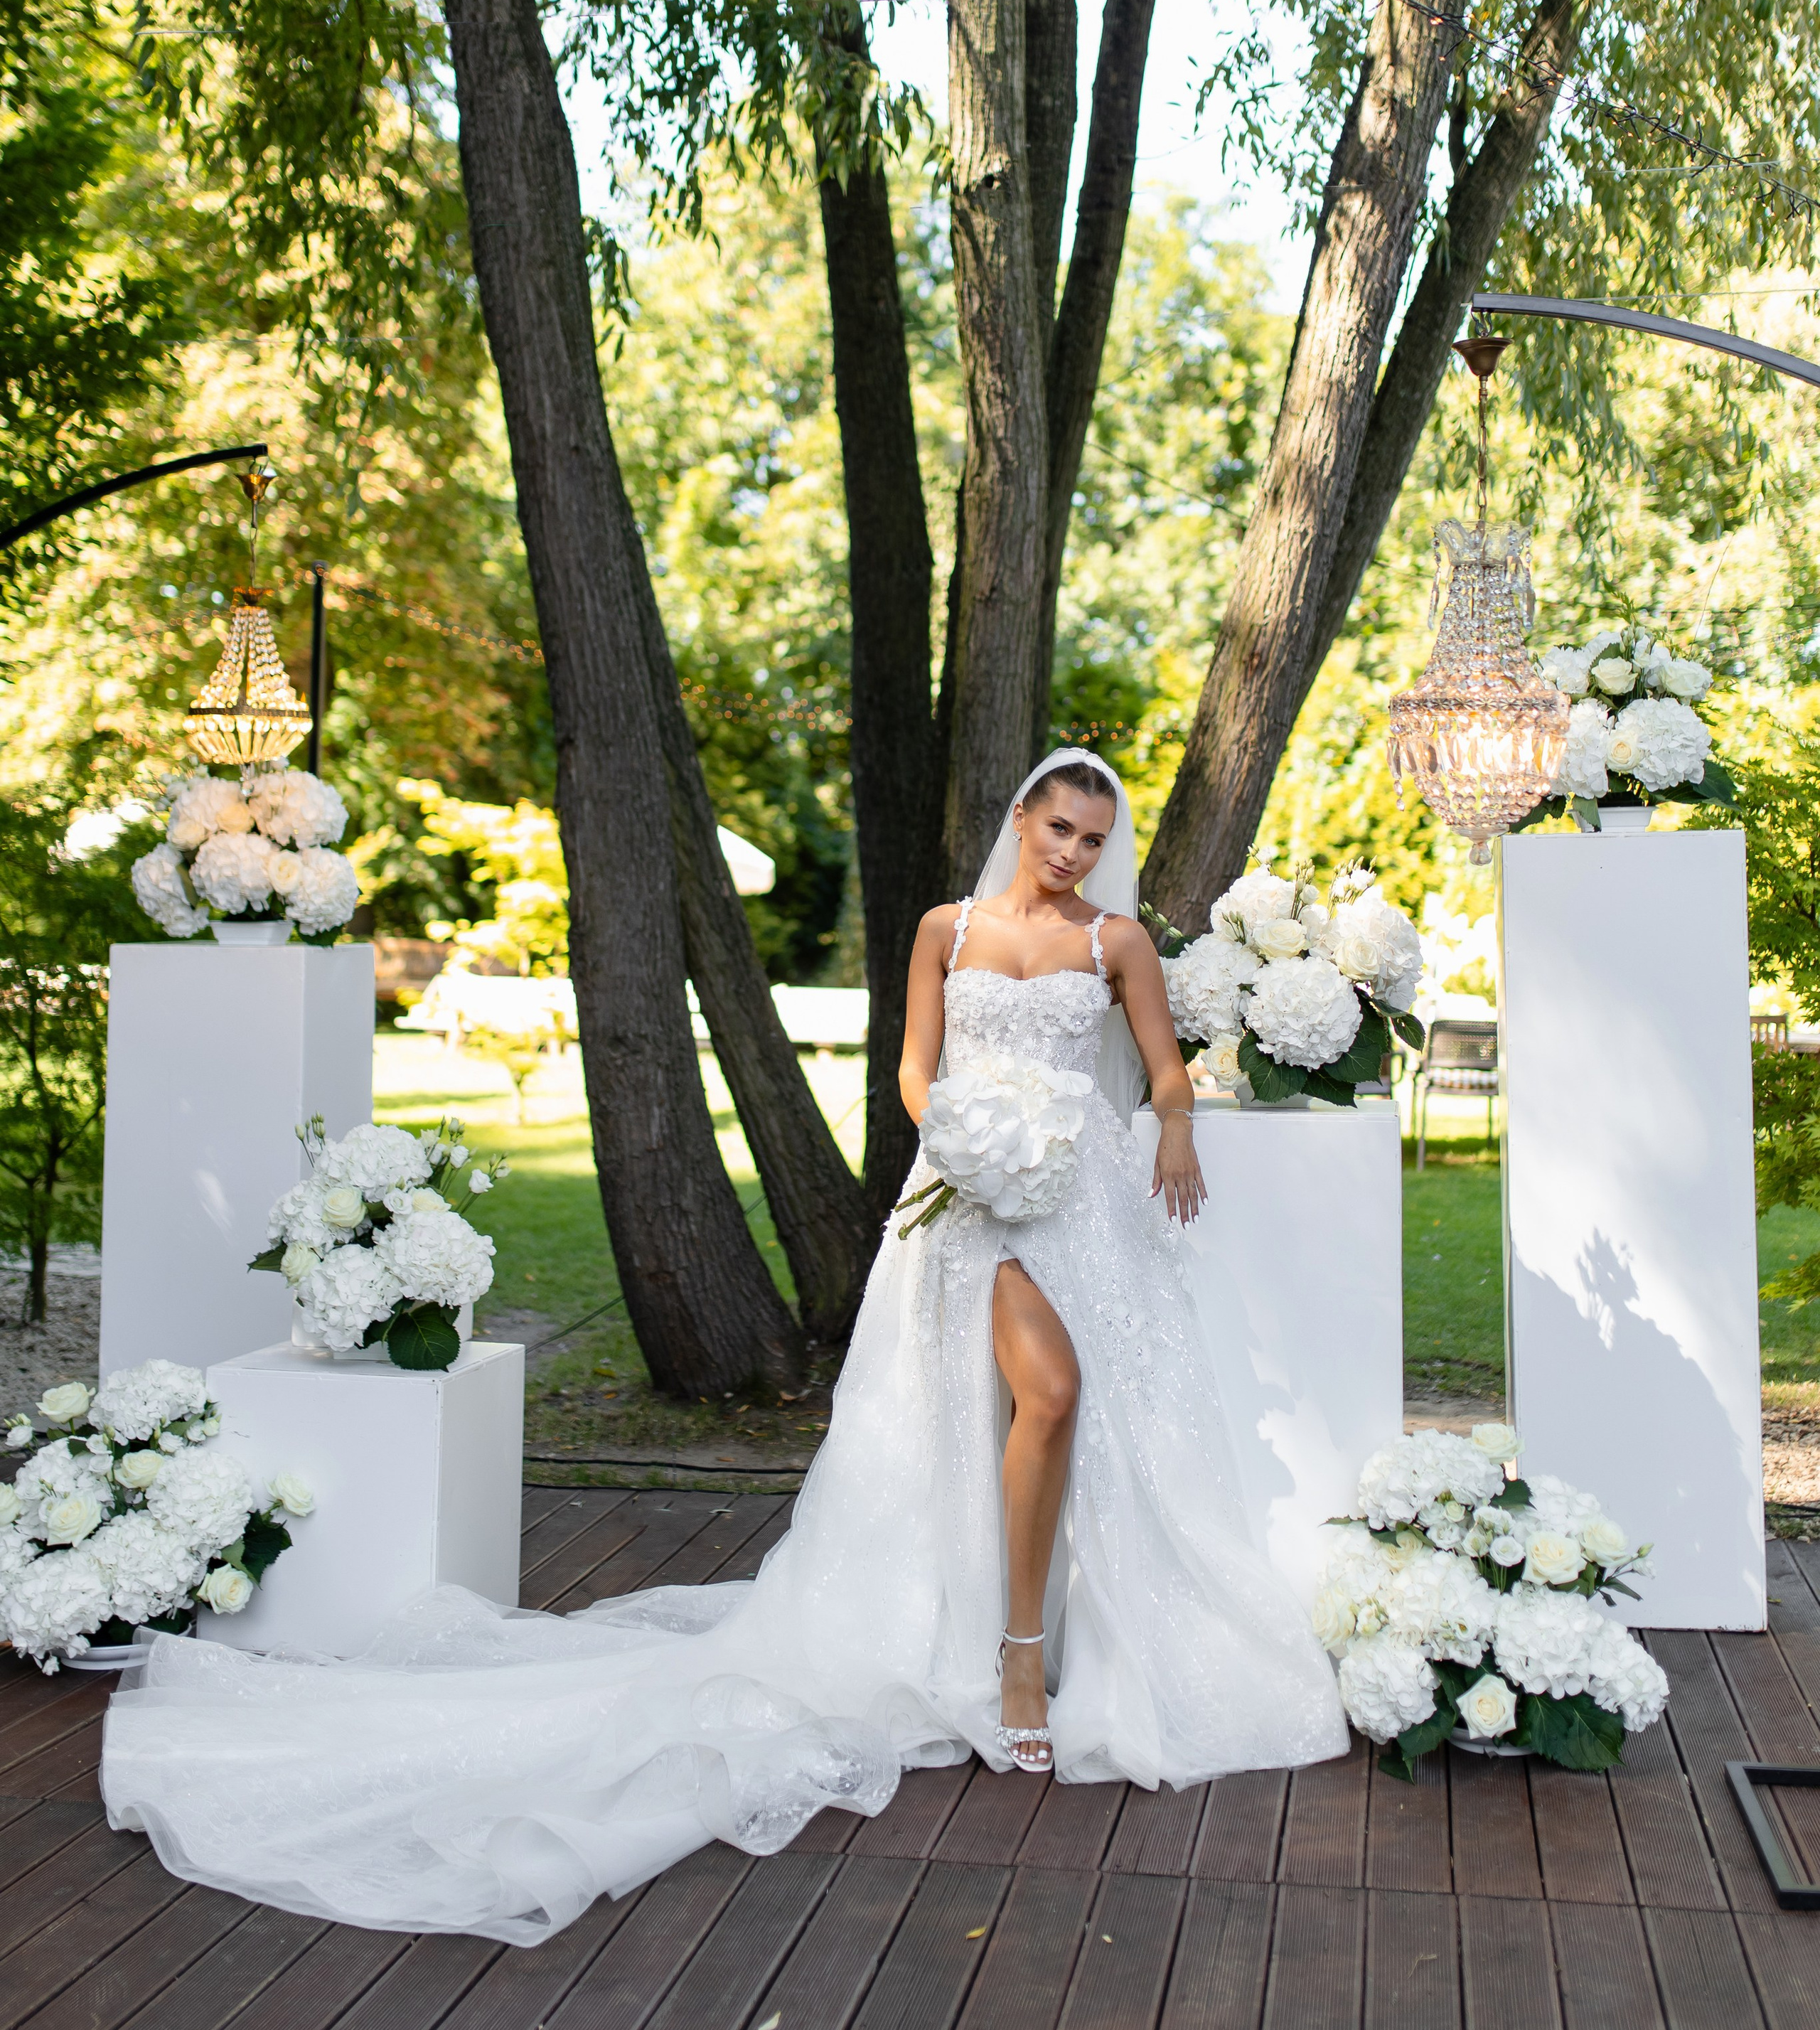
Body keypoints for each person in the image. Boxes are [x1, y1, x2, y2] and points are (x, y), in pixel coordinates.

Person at [102, 749, 1345, 1945]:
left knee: (1066, 1403)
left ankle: (1038, 1642)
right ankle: (1019, 1661)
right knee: (1049, 1395)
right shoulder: (945, 930)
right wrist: (962, 1142)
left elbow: (1164, 1070)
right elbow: (916, 1072)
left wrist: (1174, 1129)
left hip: (1078, 1207)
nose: (1072, 851)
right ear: (1021, 820)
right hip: (970, 1200)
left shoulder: (1116, 942)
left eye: (1093, 838)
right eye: (1058, 827)